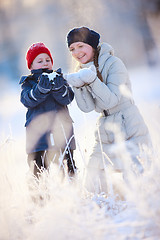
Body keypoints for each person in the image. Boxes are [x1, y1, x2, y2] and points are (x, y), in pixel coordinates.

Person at [65, 27, 151, 194]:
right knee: (92, 178)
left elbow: (111, 100)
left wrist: (91, 80)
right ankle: (101, 208)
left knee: (135, 181)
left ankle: (135, 210)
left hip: (128, 123)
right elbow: (87, 107)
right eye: (72, 49)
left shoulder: (113, 63)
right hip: (104, 126)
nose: (76, 52)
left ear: (91, 45)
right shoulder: (81, 70)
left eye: (80, 46)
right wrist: (79, 85)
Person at [19, 42, 76, 179]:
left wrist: (59, 88)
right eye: (40, 61)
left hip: (62, 133)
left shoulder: (59, 79)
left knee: (68, 167)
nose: (45, 63)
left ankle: (71, 192)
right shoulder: (28, 83)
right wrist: (40, 90)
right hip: (39, 138)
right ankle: (40, 197)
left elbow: (67, 98)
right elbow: (27, 100)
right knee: (38, 171)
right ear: (31, 66)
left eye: (48, 60)